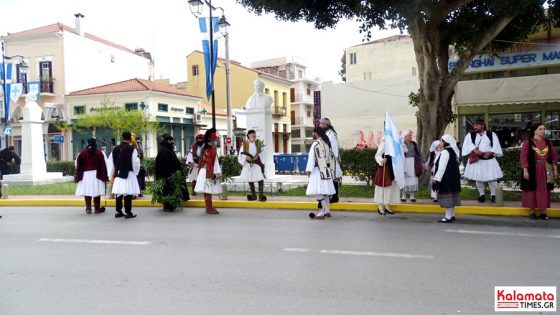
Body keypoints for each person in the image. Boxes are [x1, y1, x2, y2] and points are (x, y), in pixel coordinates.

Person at [520, 124, 558, 220]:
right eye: (540, 129)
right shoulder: (528, 143)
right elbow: (523, 158)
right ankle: (532, 211)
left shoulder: (548, 143)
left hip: (546, 169)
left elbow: (554, 157)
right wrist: (525, 170)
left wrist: (555, 170)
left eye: (544, 129)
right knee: (532, 190)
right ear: (535, 131)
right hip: (533, 169)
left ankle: (543, 212)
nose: (543, 130)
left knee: (544, 191)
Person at [461, 119, 503, 203]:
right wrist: (476, 151)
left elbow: (496, 145)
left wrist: (490, 152)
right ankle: (481, 195)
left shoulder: (491, 134)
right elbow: (468, 145)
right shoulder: (470, 135)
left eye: (477, 125)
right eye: (474, 125)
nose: (475, 127)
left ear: (482, 125)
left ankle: (493, 195)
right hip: (478, 160)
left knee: (492, 179)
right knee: (478, 178)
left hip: (489, 159)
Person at [108, 131, 140, 219]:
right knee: (128, 193)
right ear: (130, 138)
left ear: (122, 138)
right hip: (128, 173)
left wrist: (111, 175)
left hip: (118, 174)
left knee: (119, 193)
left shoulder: (115, 149)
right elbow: (135, 162)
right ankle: (128, 212)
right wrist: (136, 172)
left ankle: (118, 211)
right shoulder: (132, 149)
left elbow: (111, 162)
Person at [306, 127, 336, 219]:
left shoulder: (316, 144)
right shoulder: (326, 143)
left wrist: (308, 170)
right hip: (326, 170)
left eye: (313, 133)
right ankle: (327, 211)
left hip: (318, 170)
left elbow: (311, 158)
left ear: (316, 133)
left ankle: (322, 211)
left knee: (318, 192)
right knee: (325, 192)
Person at [155, 135, 190, 211]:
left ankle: (169, 205)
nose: (172, 143)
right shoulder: (165, 151)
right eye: (171, 141)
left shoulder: (167, 149)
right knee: (168, 191)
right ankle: (168, 206)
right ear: (168, 141)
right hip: (168, 176)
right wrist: (170, 174)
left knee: (169, 191)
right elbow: (164, 164)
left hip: (170, 175)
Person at [74, 138, 109, 214]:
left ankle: (88, 208)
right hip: (97, 174)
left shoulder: (82, 153)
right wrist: (105, 175)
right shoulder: (100, 152)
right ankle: (97, 208)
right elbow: (105, 164)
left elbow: (77, 164)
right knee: (97, 190)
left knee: (87, 191)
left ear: (87, 143)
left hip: (86, 174)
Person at [432, 135, 462, 223]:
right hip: (453, 177)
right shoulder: (452, 151)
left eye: (441, 141)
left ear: (445, 142)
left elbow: (442, 167)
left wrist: (436, 178)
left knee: (447, 197)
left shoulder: (445, 152)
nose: (440, 143)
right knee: (452, 196)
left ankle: (448, 217)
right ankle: (452, 215)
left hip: (446, 178)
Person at [194, 128, 222, 215]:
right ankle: (209, 208)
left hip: (204, 171)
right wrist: (217, 172)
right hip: (208, 171)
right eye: (215, 140)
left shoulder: (205, 148)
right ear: (211, 140)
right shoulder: (211, 150)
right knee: (208, 190)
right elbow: (214, 162)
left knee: (207, 190)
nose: (216, 142)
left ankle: (208, 207)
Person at [373, 137, 401, 215]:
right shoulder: (384, 143)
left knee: (391, 188)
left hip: (393, 168)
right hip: (385, 168)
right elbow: (377, 155)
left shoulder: (395, 143)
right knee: (383, 188)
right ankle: (380, 207)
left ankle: (388, 206)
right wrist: (382, 160)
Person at [238, 130, 267, 201]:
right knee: (250, 179)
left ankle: (261, 196)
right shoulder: (245, 144)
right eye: (252, 134)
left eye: (254, 134)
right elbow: (241, 154)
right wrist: (246, 157)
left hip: (257, 163)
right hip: (248, 164)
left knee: (260, 178)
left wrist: (258, 157)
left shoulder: (258, 144)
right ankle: (253, 196)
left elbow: (262, 153)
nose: (254, 135)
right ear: (248, 135)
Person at [319, 118, 342, 203]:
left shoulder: (331, 134)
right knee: (330, 178)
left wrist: (333, 159)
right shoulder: (325, 133)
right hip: (326, 159)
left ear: (325, 125)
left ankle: (335, 197)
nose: (320, 125)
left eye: (321, 124)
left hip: (331, 160)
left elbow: (334, 147)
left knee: (333, 178)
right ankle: (332, 196)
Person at [400, 130, 422, 202]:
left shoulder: (414, 144)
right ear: (404, 136)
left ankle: (412, 196)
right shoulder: (401, 144)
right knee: (405, 178)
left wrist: (423, 162)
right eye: (409, 135)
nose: (410, 136)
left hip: (413, 163)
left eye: (410, 135)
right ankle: (404, 195)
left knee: (413, 179)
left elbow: (419, 153)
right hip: (404, 163)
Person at [131, 133, 146, 198]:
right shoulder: (134, 146)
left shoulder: (137, 146)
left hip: (138, 164)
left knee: (139, 179)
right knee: (138, 179)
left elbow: (141, 154)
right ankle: (138, 192)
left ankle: (138, 191)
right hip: (136, 164)